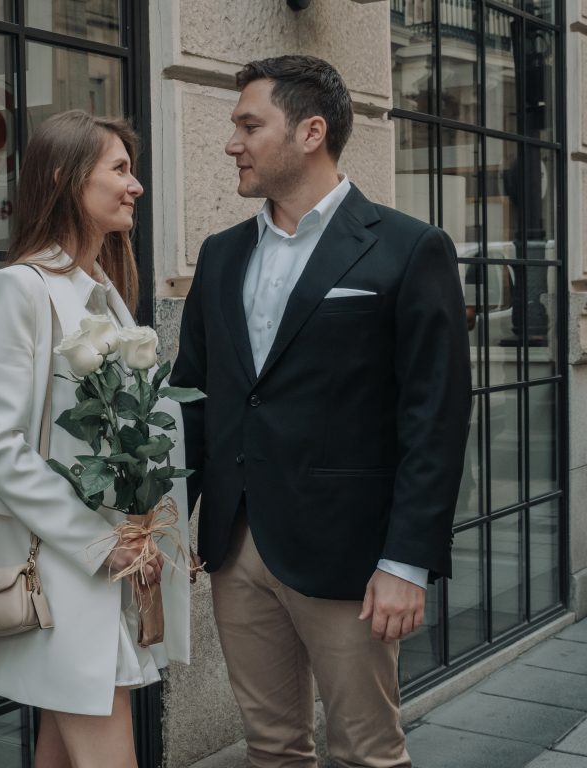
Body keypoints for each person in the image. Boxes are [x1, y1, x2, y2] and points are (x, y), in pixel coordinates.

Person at [171, 56, 471, 767]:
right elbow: (192, 397)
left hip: (350, 556)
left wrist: (406, 561)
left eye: (249, 125)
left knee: (367, 753)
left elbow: (435, 417)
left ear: (311, 132)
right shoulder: (221, 255)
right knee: (272, 748)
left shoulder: (409, 248)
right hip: (236, 546)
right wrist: (161, 525)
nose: (232, 143)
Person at [0, 109, 191, 768]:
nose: (136, 185)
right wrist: (101, 543)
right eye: (120, 169)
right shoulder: (20, 289)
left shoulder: (102, 293)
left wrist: (142, 532)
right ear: (65, 177)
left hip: (106, 567)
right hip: (63, 569)